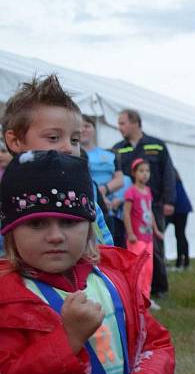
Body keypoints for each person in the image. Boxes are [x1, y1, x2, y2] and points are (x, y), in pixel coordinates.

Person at [0, 150, 175, 374]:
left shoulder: (115, 279)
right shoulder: (8, 299)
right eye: (37, 223)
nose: (55, 236)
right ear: (11, 231)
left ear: (89, 225)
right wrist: (68, 339)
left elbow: (157, 342)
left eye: (69, 222)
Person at [1, 75, 114, 246]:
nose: (68, 147)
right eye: (54, 137)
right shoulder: (6, 194)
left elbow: (103, 241)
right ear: (16, 141)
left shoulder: (84, 187)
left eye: (75, 140)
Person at [113, 109, 176, 298]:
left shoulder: (157, 146)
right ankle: (134, 286)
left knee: (155, 247)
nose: (119, 127)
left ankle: (158, 288)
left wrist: (169, 200)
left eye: (122, 123)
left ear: (135, 123)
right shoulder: (117, 149)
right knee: (132, 247)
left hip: (153, 205)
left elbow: (168, 174)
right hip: (129, 206)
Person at [123, 158, 163, 304]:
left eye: (147, 171)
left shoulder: (148, 191)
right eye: (141, 171)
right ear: (134, 173)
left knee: (148, 269)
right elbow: (126, 213)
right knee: (137, 269)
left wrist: (156, 230)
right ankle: (136, 298)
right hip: (136, 238)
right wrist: (130, 232)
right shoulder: (131, 192)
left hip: (148, 238)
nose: (145, 174)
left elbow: (149, 212)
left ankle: (145, 298)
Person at [80, 115, 123, 200]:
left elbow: (120, 180)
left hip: (109, 205)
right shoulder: (69, 154)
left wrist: (104, 189)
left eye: (87, 126)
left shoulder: (110, 155)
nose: (83, 130)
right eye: (79, 127)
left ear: (94, 129)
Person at [166, 171, 192, 270]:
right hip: (182, 208)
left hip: (179, 208)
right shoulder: (176, 179)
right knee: (181, 235)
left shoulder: (170, 180)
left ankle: (181, 262)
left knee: (180, 235)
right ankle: (184, 262)